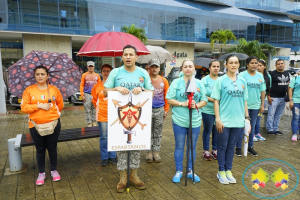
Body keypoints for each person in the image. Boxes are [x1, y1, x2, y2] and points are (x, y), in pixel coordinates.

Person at [103, 45, 154, 193]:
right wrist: (116, 89)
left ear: (136, 57)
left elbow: (151, 92)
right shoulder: (115, 72)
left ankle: (134, 176)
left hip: (138, 116)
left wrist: (142, 90)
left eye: (131, 54)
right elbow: (105, 92)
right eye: (125, 54)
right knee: (121, 146)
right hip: (120, 116)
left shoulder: (143, 72)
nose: (128, 57)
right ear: (122, 56)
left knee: (136, 146)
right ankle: (122, 178)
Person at [21, 65, 64, 186]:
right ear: (34, 76)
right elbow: (24, 107)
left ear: (47, 76)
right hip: (35, 125)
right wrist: (38, 106)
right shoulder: (29, 90)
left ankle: (54, 170)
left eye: (42, 74)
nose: (40, 76)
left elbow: (60, 104)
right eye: (37, 74)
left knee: (52, 147)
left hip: (53, 123)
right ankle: (41, 173)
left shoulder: (54, 89)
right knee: (40, 149)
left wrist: (55, 113)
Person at [211, 55, 250, 184]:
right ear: (226, 65)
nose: (233, 65)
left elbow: (244, 102)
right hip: (224, 121)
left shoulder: (243, 82)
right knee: (222, 146)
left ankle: (229, 170)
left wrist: (247, 119)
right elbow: (216, 101)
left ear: (239, 65)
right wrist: (218, 119)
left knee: (232, 146)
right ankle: (221, 171)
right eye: (231, 63)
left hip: (238, 122)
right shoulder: (220, 81)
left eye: (236, 63)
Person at [166, 59, 207, 183]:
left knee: (192, 146)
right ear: (182, 69)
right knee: (179, 146)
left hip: (194, 120)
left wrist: (197, 105)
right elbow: (169, 99)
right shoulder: (176, 83)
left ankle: (190, 170)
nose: (188, 68)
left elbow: (204, 100)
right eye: (185, 66)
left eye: (190, 66)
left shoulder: (199, 83)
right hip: (179, 119)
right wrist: (182, 103)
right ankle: (179, 170)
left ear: (194, 68)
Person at [235, 56, 265, 157]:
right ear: (247, 64)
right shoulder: (242, 75)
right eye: (252, 63)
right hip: (243, 105)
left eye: (256, 63)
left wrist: (262, 104)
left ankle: (249, 147)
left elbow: (262, 91)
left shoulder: (260, 76)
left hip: (255, 105)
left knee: (251, 128)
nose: (254, 65)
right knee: (240, 127)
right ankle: (238, 147)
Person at [91, 64, 117, 166]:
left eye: (108, 71)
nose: (106, 73)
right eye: (104, 71)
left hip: (114, 115)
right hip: (102, 115)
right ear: (101, 72)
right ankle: (105, 157)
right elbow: (94, 100)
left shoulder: (114, 85)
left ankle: (113, 156)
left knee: (113, 136)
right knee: (104, 137)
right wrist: (100, 107)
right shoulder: (97, 86)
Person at [146, 58, 169, 163]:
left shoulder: (164, 81)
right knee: (148, 131)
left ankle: (156, 151)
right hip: (147, 109)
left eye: (156, 67)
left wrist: (166, 109)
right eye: (152, 67)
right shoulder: (145, 79)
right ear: (149, 68)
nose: (154, 69)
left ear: (159, 68)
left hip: (159, 109)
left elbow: (167, 96)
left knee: (158, 131)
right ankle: (149, 152)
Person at [200, 59, 220, 161]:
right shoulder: (204, 80)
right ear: (210, 68)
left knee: (217, 130)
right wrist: (214, 100)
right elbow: (202, 95)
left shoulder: (222, 80)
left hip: (219, 111)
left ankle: (215, 149)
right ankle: (206, 150)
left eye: (218, 66)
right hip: (207, 110)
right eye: (214, 66)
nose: (216, 68)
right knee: (207, 130)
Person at [266, 59, 291, 135]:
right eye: (278, 64)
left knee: (278, 115)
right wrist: (268, 96)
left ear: (284, 64)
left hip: (283, 98)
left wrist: (288, 95)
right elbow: (268, 86)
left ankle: (275, 129)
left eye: (282, 63)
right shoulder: (272, 74)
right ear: (276, 65)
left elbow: (288, 85)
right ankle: (270, 129)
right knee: (271, 114)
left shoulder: (287, 73)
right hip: (274, 97)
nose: (280, 65)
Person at [80, 61, 101, 127]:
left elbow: (99, 86)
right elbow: (81, 85)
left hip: (95, 95)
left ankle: (94, 121)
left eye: (92, 66)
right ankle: (89, 122)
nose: (91, 68)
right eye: (89, 66)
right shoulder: (84, 75)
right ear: (87, 67)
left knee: (94, 109)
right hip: (87, 94)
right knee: (87, 109)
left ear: (94, 67)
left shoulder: (97, 75)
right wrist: (82, 95)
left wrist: (99, 95)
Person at [254, 59, 270, 141]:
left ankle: (257, 133)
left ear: (264, 67)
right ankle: (252, 133)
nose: (258, 67)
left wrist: (268, 97)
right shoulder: (253, 75)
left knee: (259, 117)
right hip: (254, 99)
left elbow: (267, 89)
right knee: (252, 118)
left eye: (260, 65)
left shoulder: (267, 76)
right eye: (257, 65)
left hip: (263, 99)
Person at [288, 73, 300, 141]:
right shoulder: (295, 78)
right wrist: (291, 100)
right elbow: (290, 89)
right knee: (296, 117)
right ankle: (294, 133)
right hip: (296, 101)